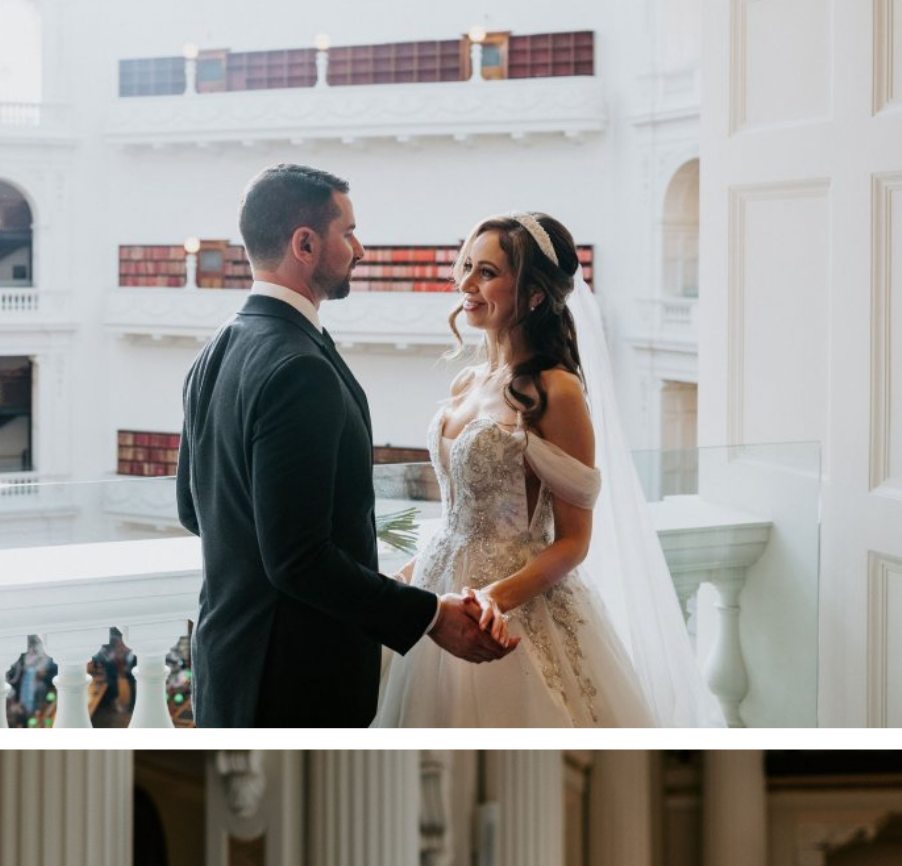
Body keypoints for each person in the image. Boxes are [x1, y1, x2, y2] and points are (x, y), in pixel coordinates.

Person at [176, 163, 509, 727]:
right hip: (294, 679)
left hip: (226, 664)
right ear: (305, 244)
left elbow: (193, 509)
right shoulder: (298, 369)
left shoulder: (217, 351)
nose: (360, 248)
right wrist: (429, 615)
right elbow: (299, 558)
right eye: (348, 232)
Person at [375, 211, 719, 727]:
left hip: (513, 610)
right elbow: (458, 523)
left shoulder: (556, 392)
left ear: (534, 294)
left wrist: (490, 600)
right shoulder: (465, 384)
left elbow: (573, 541)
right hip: (439, 594)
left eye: (487, 273)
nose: (466, 284)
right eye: (466, 266)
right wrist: (400, 584)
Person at [87, 627, 136, 728]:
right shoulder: (105, 647)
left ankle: (126, 706)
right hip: (112, 661)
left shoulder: (113, 639)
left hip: (124, 660)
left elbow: (118, 650)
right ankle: (120, 704)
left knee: (128, 682)